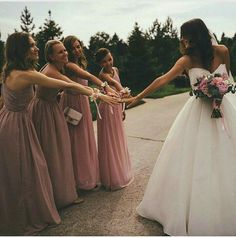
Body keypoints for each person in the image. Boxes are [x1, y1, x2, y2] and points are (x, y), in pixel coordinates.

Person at [127, 18, 236, 236]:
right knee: (200, 158)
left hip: (224, 108)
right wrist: (137, 96)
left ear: (194, 36)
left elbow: (229, 78)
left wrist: (222, 91)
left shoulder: (222, 50)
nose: (183, 40)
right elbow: (163, 79)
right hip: (199, 114)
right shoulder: (186, 60)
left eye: (185, 36)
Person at [29, 40, 118, 208]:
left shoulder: (54, 68)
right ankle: (63, 196)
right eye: (61, 52)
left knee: (58, 151)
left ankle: (58, 192)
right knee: (56, 153)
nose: (66, 54)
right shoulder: (53, 71)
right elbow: (73, 85)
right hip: (46, 111)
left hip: (49, 108)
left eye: (65, 50)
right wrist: (101, 95)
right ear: (50, 56)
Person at [60, 35, 116, 190]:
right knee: (77, 141)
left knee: (84, 139)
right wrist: (107, 87)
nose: (77, 50)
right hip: (73, 103)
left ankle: (86, 177)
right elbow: (90, 77)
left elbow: (86, 84)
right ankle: (80, 180)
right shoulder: (70, 65)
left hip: (82, 101)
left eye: (79, 46)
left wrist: (99, 89)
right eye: (73, 48)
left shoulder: (79, 63)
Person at [95, 48, 134, 190]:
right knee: (110, 141)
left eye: (110, 59)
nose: (108, 63)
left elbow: (120, 90)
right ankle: (112, 177)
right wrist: (127, 96)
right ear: (100, 63)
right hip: (107, 108)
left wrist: (123, 109)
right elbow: (118, 87)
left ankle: (121, 170)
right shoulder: (102, 75)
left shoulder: (116, 69)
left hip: (117, 106)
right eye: (104, 61)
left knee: (118, 139)